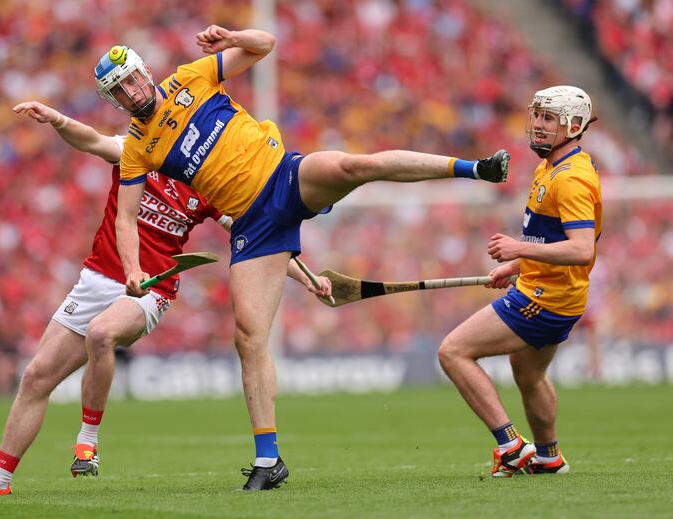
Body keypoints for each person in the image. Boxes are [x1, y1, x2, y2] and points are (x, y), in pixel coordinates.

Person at [89, 26, 510, 490]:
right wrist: (133, 269)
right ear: (116, 102)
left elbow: (264, 44)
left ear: (145, 72)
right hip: (253, 225)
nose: (131, 91)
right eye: (119, 91)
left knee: (356, 166)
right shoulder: (136, 151)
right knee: (248, 337)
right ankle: (269, 461)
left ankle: (474, 168)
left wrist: (231, 36)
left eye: (132, 79)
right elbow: (125, 220)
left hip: (286, 176)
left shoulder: (191, 77)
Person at [0, 101, 331, 496]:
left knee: (101, 334)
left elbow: (256, 235)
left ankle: (88, 442)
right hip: (96, 279)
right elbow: (93, 141)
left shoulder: (207, 184)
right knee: (35, 377)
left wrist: (307, 277)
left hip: (152, 289)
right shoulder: (138, 153)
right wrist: (58, 120)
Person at [438, 85, 601, 477]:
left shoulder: (572, 178)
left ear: (574, 126)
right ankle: (548, 457)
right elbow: (551, 237)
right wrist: (515, 266)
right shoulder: (552, 166)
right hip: (547, 290)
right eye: (538, 116)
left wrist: (518, 251)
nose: (539, 125)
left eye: (550, 118)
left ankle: (512, 446)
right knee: (529, 375)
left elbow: (581, 249)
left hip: (546, 299)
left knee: (452, 351)